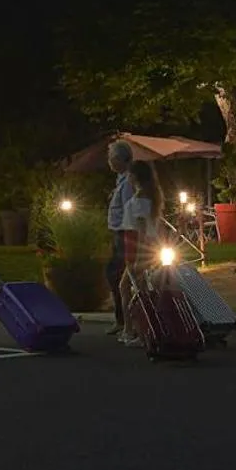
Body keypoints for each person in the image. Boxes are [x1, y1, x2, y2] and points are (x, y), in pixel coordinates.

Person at [118, 160, 165, 346]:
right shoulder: (151, 199)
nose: (127, 177)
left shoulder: (138, 202)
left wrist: (137, 257)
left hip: (137, 248)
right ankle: (137, 329)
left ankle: (133, 330)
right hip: (148, 248)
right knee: (140, 289)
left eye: (130, 174)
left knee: (130, 289)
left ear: (135, 177)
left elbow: (140, 229)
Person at [104, 140, 134, 335]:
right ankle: (123, 320)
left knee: (119, 276)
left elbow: (129, 210)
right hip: (119, 234)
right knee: (117, 276)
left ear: (119, 160)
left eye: (111, 158)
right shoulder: (121, 181)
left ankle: (125, 321)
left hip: (125, 235)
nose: (109, 162)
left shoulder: (128, 183)